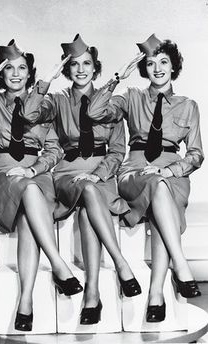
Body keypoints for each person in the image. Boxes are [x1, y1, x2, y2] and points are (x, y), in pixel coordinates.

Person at [23, 34, 145, 325]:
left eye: (87, 63)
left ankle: (92, 293)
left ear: (95, 67)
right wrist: (46, 81)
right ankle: (120, 263)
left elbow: (117, 152)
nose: (80, 69)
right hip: (68, 173)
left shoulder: (110, 103)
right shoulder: (57, 100)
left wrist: (98, 173)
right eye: (74, 65)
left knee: (90, 199)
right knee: (87, 190)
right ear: (67, 69)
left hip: (101, 175)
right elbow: (29, 114)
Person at [86, 34, 204, 322]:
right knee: (155, 186)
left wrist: (170, 170)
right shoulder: (132, 98)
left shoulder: (188, 105)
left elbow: (197, 154)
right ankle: (179, 268)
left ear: (174, 67)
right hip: (134, 172)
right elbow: (94, 111)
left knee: (161, 187)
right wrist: (118, 77)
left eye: (164, 62)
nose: (158, 68)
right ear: (145, 69)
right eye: (151, 64)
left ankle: (156, 294)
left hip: (170, 173)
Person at [0, 39, 83, 332]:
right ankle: (59, 265)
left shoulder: (44, 106)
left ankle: (25, 302)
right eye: (9, 68)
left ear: (30, 73)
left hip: (36, 172)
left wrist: (33, 168)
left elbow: (54, 150)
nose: (16, 73)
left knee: (28, 206)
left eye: (22, 67)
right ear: (1, 73)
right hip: (1, 173)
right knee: (27, 189)